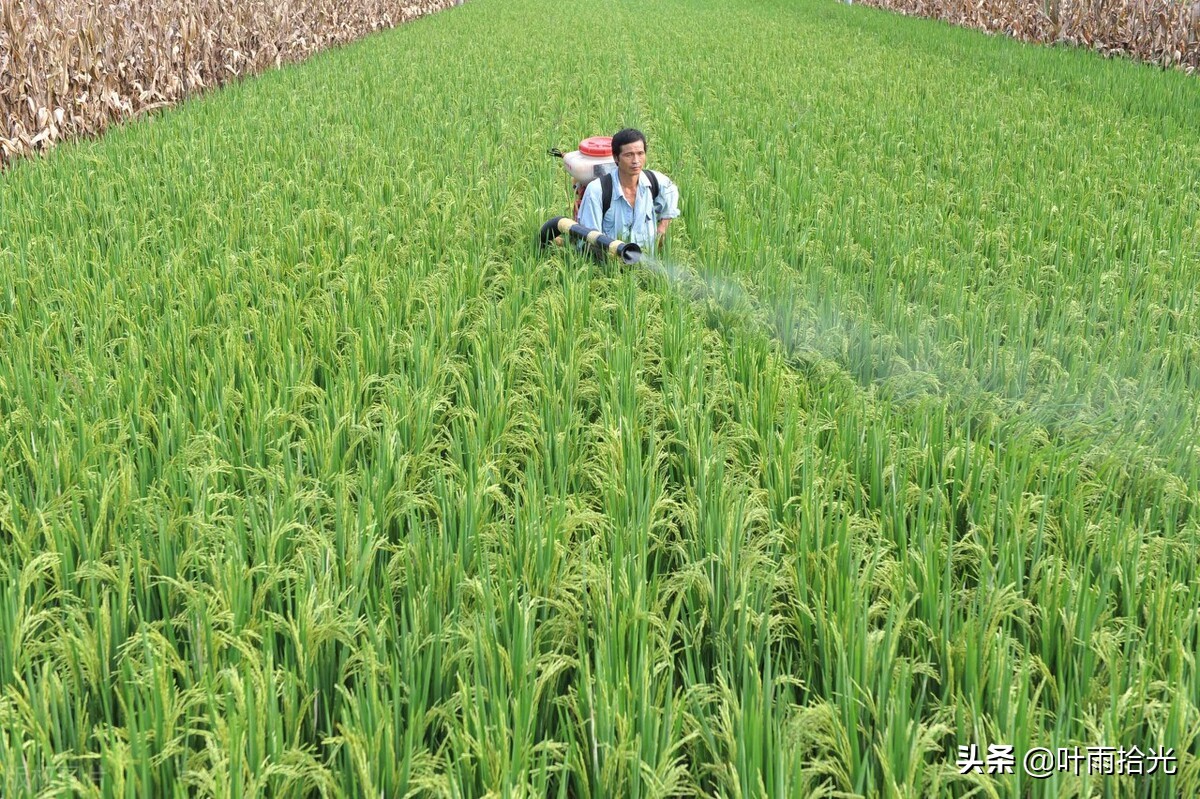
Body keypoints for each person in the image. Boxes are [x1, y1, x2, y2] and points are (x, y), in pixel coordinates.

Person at [576, 128, 680, 258]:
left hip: (645, 266)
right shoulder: (597, 191)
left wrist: (663, 226)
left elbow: (672, 191)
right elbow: (590, 239)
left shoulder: (655, 181)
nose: (636, 160)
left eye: (640, 153)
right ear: (616, 158)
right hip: (610, 266)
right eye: (629, 155)